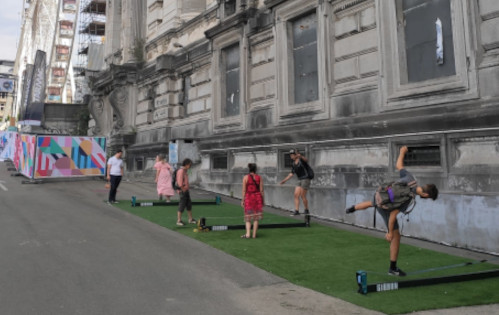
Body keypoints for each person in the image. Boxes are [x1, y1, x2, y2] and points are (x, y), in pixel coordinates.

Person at [345, 146, 439, 276]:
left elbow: (399, 165)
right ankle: (393, 268)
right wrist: (389, 232)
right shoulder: (409, 199)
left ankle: (352, 208)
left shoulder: (411, 179)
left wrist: (402, 152)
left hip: (380, 194)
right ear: (426, 195)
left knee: (373, 203)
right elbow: (393, 216)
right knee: (396, 237)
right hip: (385, 207)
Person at [279, 149, 312, 216]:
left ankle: (306, 209)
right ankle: (296, 211)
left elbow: (306, 160)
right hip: (299, 179)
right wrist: (284, 181)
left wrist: (301, 156)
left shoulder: (301, 160)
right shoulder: (294, 163)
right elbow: (291, 173)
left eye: (292, 155)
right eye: (290, 155)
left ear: (296, 155)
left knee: (303, 195)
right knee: (296, 195)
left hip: (305, 179)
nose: (291, 156)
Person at [241, 163, 264, 239]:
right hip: (257, 197)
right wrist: (263, 200)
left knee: (248, 216)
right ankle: (254, 235)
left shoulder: (245, 178)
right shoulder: (259, 177)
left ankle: (248, 234)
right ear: (255, 169)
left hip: (249, 197)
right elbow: (261, 190)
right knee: (256, 217)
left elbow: (244, 190)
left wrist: (242, 200)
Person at [176, 158, 196, 226]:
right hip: (183, 190)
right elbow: (179, 182)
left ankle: (190, 219)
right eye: (190, 165)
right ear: (186, 164)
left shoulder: (185, 171)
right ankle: (179, 220)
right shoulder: (181, 171)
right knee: (182, 205)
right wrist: (182, 188)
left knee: (189, 205)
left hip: (186, 190)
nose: (190, 166)